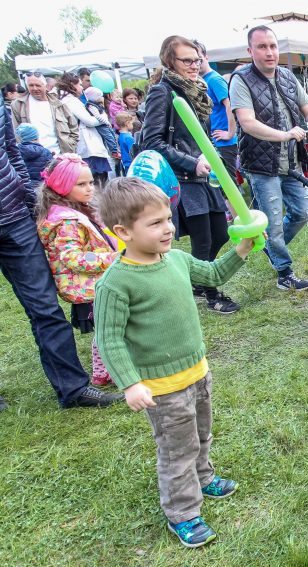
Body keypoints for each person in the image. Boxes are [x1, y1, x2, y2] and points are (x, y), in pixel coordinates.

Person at [95, 177, 257, 548]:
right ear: (123, 231)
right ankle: (183, 512)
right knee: (176, 450)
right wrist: (130, 382)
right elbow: (110, 339)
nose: (168, 228)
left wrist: (242, 248)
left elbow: (214, 274)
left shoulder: (177, 259)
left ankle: (204, 477)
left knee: (201, 435)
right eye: (155, 223)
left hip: (198, 374)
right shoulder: (116, 284)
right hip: (163, 389)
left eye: (168, 218)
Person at [0, 99, 122, 409]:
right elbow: (72, 256)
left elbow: (11, 152)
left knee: (45, 309)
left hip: (12, 217)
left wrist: (30, 199)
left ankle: (74, 388)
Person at [229, 25, 308, 292]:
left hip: (292, 161)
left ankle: (272, 249)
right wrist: (284, 134)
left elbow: (306, 107)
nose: (269, 52)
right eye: (262, 47)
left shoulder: (287, 76)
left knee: (302, 213)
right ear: (250, 50)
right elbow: (248, 123)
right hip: (262, 165)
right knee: (273, 221)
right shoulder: (241, 80)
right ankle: (284, 272)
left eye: (273, 46)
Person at [142, 36, 239, 314]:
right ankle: (210, 293)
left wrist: (211, 157)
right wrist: (190, 162)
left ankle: (195, 280)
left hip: (204, 174)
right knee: (204, 239)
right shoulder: (163, 92)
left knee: (221, 232)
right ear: (170, 61)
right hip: (181, 177)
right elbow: (153, 142)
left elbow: (201, 136)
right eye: (187, 60)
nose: (194, 65)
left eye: (197, 59)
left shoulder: (198, 90)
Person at [35, 154, 120, 386]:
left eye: (91, 182)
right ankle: (104, 372)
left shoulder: (78, 211)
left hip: (96, 281)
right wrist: (109, 258)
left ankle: (106, 371)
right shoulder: (66, 221)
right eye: (81, 184)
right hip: (88, 283)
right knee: (107, 329)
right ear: (62, 186)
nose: (89, 188)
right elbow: (73, 257)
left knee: (108, 326)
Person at [194, 41, 238, 181]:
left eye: (199, 59)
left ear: (206, 57)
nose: (196, 64)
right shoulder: (202, 80)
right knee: (217, 184)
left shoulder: (214, 79)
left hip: (224, 143)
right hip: (212, 141)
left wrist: (230, 133)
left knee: (228, 186)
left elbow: (230, 105)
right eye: (192, 60)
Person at [56, 74, 110, 188]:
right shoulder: (70, 101)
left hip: (87, 146)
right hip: (87, 147)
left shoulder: (68, 100)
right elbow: (90, 121)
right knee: (97, 182)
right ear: (72, 85)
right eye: (80, 85)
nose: (82, 88)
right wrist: (103, 117)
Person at [11, 72, 78, 154]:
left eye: (38, 85)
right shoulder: (18, 104)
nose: (35, 88)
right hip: (34, 158)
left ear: (45, 86)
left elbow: (73, 127)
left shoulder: (58, 103)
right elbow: (15, 132)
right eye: (31, 85)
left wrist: (70, 145)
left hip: (60, 155)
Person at [83, 87, 120, 181]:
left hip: (103, 124)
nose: (102, 97)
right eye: (100, 96)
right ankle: (114, 150)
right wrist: (106, 121)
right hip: (101, 125)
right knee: (108, 136)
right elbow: (98, 117)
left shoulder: (96, 105)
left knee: (111, 135)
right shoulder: (91, 106)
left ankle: (115, 149)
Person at [15, 123, 53, 188]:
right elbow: (51, 173)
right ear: (36, 137)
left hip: (20, 188)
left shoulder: (14, 153)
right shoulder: (46, 152)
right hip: (40, 188)